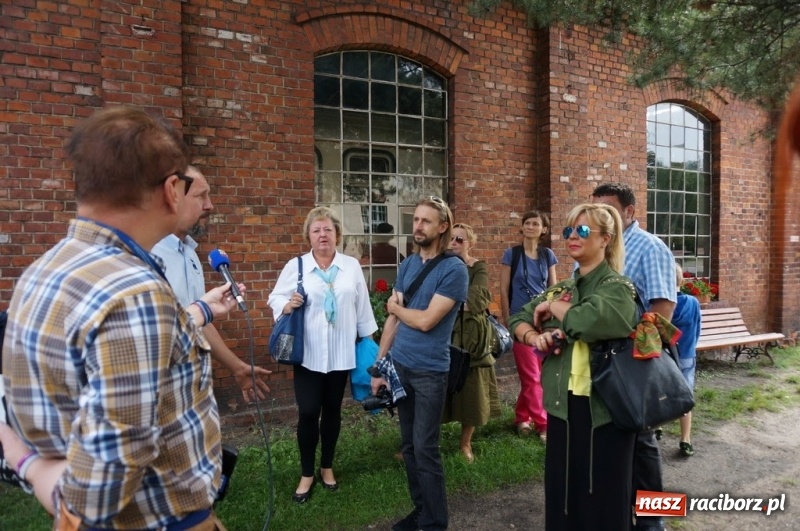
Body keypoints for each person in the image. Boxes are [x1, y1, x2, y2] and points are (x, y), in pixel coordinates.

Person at [1, 106, 241, 529]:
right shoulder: (135, 294)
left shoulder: (40, 272)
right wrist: (29, 465)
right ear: (171, 189)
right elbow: (97, 494)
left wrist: (202, 309)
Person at [509, 203, 639, 530]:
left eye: (582, 230)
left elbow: (585, 320)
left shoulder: (618, 287)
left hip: (604, 410)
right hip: (563, 406)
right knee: (564, 494)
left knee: (604, 498)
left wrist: (551, 307)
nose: (572, 237)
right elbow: (518, 316)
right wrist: (533, 337)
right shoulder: (565, 287)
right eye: (568, 230)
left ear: (605, 239)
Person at [268, 206, 377, 504]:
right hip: (309, 354)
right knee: (307, 412)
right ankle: (307, 473)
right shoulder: (297, 266)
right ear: (309, 236)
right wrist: (287, 305)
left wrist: (369, 343)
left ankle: (326, 466)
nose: (322, 235)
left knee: (332, 411)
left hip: (341, 354)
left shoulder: (351, 266)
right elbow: (275, 297)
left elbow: (362, 307)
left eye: (327, 230)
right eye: (316, 231)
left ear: (337, 235)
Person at [371, 196, 468, 531]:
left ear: (443, 227)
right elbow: (392, 325)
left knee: (426, 449)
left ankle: (435, 523)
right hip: (400, 367)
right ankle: (422, 511)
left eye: (426, 221)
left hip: (430, 372)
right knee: (410, 447)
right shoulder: (409, 264)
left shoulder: (454, 270)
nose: (418, 226)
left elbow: (426, 321)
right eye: (416, 220)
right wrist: (379, 366)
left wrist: (395, 308)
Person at [591, 182, 676, 531]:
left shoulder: (650, 247)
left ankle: (654, 522)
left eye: (608, 209)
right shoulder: (601, 245)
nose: (600, 216)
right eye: (595, 209)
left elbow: (662, 307)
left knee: (642, 440)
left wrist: (635, 358)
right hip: (600, 362)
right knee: (621, 441)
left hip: (631, 360)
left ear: (628, 212)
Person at [152, 165, 271, 403]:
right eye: (200, 196)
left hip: (195, 389)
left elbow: (198, 321)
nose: (210, 205)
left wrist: (236, 367)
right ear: (171, 198)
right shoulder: (147, 254)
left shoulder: (190, 253)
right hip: (160, 395)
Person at [441, 223, 501, 464]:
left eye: (460, 239)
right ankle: (422, 443)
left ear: (470, 243)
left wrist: (443, 304)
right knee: (435, 390)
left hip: (471, 338)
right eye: (451, 239)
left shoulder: (478, 267)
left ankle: (465, 443)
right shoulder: (440, 264)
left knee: (472, 391)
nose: (454, 243)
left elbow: (473, 300)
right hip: (443, 333)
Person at [500, 210, 558, 440]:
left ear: (544, 230)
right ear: (522, 228)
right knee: (531, 375)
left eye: (536, 223)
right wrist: (507, 319)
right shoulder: (511, 254)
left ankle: (522, 417)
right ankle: (543, 425)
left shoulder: (548, 255)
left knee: (538, 374)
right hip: (520, 320)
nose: (531, 226)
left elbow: (555, 290)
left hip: (543, 320)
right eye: (527, 223)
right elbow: (503, 290)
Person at [671, 263, 701, 457]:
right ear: (681, 280)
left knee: (660, 393)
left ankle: (656, 427)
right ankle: (685, 439)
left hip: (665, 356)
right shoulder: (692, 302)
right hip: (687, 354)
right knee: (685, 397)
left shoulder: (661, 304)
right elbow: (697, 327)